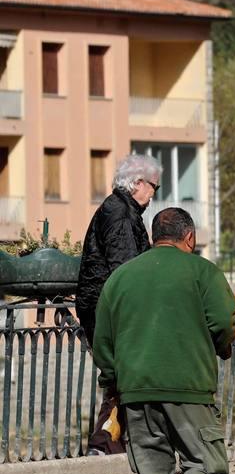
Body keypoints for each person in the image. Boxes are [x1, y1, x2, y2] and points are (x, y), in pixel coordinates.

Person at [92, 208, 235, 474]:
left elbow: (102, 340)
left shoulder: (120, 278)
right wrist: (222, 347)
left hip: (134, 393)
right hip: (188, 389)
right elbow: (223, 322)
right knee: (209, 466)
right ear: (189, 237)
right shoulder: (203, 272)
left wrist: (114, 383)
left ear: (155, 235)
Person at [77, 152, 161, 455]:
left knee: (122, 379)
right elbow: (126, 269)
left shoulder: (120, 210)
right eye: (154, 187)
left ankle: (110, 443)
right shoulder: (120, 214)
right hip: (110, 311)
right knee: (122, 378)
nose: (154, 195)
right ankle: (105, 444)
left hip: (102, 308)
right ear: (138, 183)